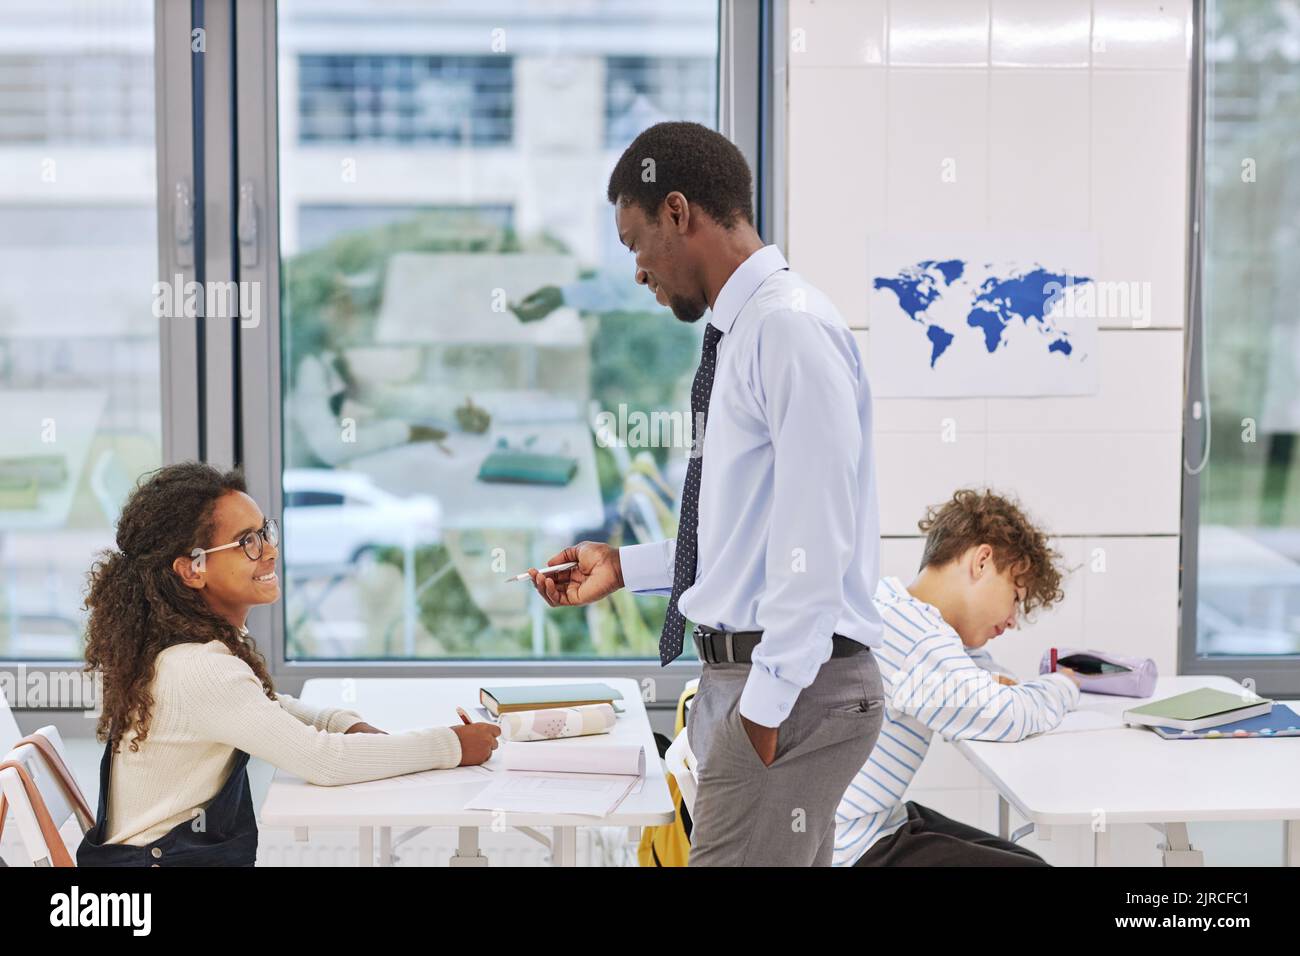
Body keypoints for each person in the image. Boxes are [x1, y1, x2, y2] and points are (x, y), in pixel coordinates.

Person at [528, 121, 885, 866]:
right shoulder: (744, 332)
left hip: (789, 688)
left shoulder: (785, 329)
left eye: (634, 243)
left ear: (679, 213)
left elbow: (817, 543)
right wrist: (625, 566)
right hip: (759, 683)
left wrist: (760, 718)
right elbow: (744, 537)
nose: (637, 270)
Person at [77, 461, 499, 866]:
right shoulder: (200, 668)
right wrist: (453, 745)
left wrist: (342, 722)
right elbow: (326, 762)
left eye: (265, 532)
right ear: (192, 570)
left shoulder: (185, 650)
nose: (270, 550)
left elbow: (262, 704)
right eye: (248, 542)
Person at [834, 489, 1083, 867]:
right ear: (982, 561)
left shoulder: (892, 605)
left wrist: (998, 687)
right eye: (1016, 596)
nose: (1014, 619)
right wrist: (1065, 684)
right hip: (850, 849)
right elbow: (1006, 714)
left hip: (877, 822)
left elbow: (988, 680)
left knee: (1026, 859)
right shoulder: (918, 639)